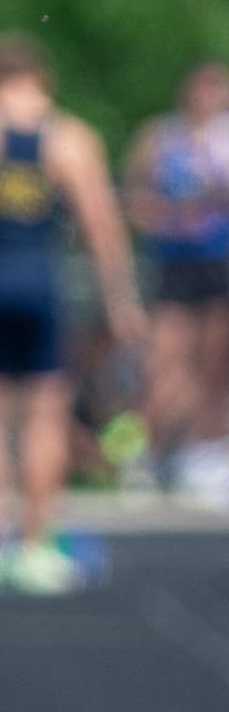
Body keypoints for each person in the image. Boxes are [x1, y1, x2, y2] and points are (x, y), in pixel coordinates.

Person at [0, 32, 144, 592]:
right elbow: (102, 228)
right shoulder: (71, 136)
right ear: (40, 78)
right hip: (42, 286)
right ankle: (36, 545)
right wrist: (120, 301)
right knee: (47, 413)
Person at [123, 62, 229, 486]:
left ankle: (205, 451)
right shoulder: (162, 136)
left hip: (219, 258)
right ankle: (143, 450)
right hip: (176, 259)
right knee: (163, 358)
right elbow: (133, 196)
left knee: (213, 361)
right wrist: (163, 217)